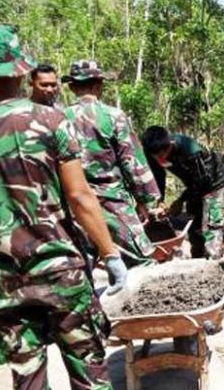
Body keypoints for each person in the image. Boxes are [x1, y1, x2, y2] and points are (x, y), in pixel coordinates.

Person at [0, 24, 126, 390]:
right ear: (21, 68)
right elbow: (81, 198)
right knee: (90, 374)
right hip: (62, 274)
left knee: (28, 381)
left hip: (5, 284)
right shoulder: (52, 121)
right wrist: (110, 253)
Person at [63, 60, 161, 267]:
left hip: (73, 204)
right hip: (112, 201)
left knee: (79, 265)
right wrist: (145, 200)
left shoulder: (58, 118)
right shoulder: (113, 116)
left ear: (72, 87)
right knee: (142, 261)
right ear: (99, 85)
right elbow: (132, 161)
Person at [141, 126, 224, 259]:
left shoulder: (190, 150)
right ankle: (197, 259)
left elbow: (202, 183)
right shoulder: (152, 152)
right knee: (195, 223)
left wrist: (180, 200)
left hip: (213, 182)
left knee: (212, 222)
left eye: (162, 155)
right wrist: (160, 201)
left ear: (169, 146)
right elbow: (158, 177)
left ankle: (214, 260)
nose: (159, 159)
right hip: (193, 184)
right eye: (155, 156)